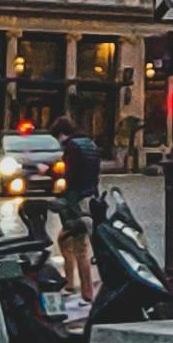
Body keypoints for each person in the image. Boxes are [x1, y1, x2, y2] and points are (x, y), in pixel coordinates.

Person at [56, 113, 104, 300]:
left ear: (61, 133)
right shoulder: (90, 144)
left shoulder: (72, 147)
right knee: (69, 242)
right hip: (90, 197)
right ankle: (72, 285)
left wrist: (64, 198)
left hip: (77, 202)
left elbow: (71, 177)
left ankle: (84, 292)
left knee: (77, 246)